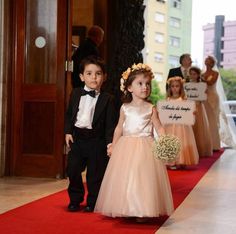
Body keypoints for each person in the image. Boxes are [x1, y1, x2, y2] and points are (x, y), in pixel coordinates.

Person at [94, 63, 174, 222]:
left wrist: (165, 143)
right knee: (127, 177)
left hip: (146, 147)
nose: (145, 87)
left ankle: (142, 209)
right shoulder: (124, 108)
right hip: (126, 147)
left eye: (147, 84)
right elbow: (118, 128)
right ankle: (127, 207)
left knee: (142, 178)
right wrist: (113, 144)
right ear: (129, 87)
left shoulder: (151, 108)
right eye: (140, 83)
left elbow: (158, 127)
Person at [64, 56, 117, 212]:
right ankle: (75, 199)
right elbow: (69, 115)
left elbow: (110, 125)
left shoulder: (108, 99)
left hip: (97, 141)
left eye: (98, 73)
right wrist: (67, 131)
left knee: (95, 175)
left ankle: (92, 202)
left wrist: (109, 143)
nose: (94, 77)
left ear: (104, 77)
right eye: (89, 73)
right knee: (72, 169)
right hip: (78, 139)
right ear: (81, 77)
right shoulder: (75, 94)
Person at [164, 76, 199, 169]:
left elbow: (190, 112)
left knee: (182, 141)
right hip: (170, 126)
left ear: (181, 87)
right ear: (170, 88)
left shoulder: (184, 99)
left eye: (177, 86)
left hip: (182, 126)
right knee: (172, 141)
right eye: (172, 86)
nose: (175, 88)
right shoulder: (168, 100)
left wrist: (192, 112)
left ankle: (182, 160)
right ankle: (172, 162)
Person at [189, 66, 213, 157]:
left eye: (194, 74)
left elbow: (205, 96)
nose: (192, 75)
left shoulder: (202, 85)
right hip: (190, 107)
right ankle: (192, 149)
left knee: (199, 128)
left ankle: (200, 149)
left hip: (198, 106)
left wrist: (200, 98)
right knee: (191, 127)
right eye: (190, 74)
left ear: (198, 74)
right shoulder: (187, 84)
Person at [201, 56, 221, 151]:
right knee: (205, 120)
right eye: (206, 59)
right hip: (204, 98)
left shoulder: (215, 73)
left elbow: (211, 82)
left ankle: (214, 144)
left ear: (212, 63)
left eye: (208, 60)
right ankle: (206, 144)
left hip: (213, 97)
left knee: (213, 120)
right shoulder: (202, 73)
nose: (206, 61)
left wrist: (201, 78)